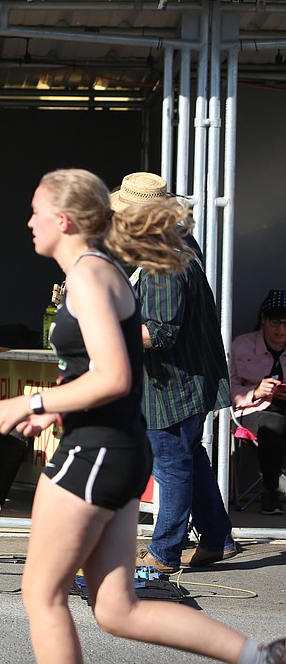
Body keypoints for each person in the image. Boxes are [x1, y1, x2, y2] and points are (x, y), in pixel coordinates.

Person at [0, 168, 284, 664]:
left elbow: (116, 375)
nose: (29, 221)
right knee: (117, 610)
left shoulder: (90, 274)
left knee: (42, 595)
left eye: (36, 210)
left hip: (99, 449)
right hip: (116, 446)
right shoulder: (103, 269)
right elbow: (93, 364)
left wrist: (32, 402)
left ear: (62, 219)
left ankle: (188, 560)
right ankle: (259, 655)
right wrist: (59, 403)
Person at [108, 172, 237, 573]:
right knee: (188, 458)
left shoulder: (163, 263)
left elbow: (160, 333)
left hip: (174, 383)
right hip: (185, 378)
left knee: (172, 464)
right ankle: (216, 539)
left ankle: (165, 551)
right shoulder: (174, 245)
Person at [230, 289, 286, 515]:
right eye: (275, 322)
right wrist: (255, 391)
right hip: (251, 410)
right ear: (263, 319)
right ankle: (271, 492)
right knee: (272, 425)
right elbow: (228, 390)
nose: (281, 330)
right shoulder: (241, 345)